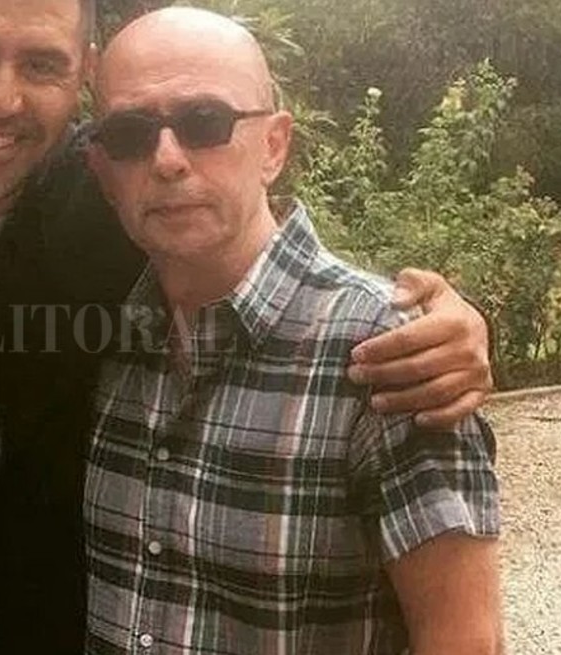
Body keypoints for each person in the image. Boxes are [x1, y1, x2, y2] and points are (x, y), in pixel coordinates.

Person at [0, 0, 494, 653]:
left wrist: (443, 318)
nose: (1, 100)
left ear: (82, 74)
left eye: (42, 64)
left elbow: (252, 251)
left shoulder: (114, 195)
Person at [81, 8, 502, 655]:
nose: (167, 159)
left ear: (274, 146)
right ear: (103, 171)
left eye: (205, 122)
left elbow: (465, 641)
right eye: (130, 134)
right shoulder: (103, 335)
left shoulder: (386, 354)